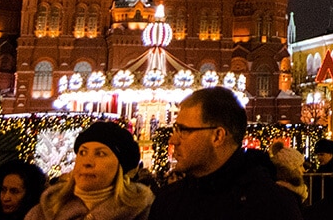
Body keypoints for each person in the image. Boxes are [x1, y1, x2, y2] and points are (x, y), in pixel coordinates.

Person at [147, 86, 303, 219]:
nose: (173, 140)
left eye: (184, 130)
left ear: (218, 136)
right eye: (175, 129)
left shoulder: (271, 206)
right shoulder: (169, 200)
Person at [25, 121, 153, 220]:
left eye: (100, 154)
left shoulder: (147, 211)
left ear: (121, 167)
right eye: (83, 152)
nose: (87, 162)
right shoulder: (42, 211)